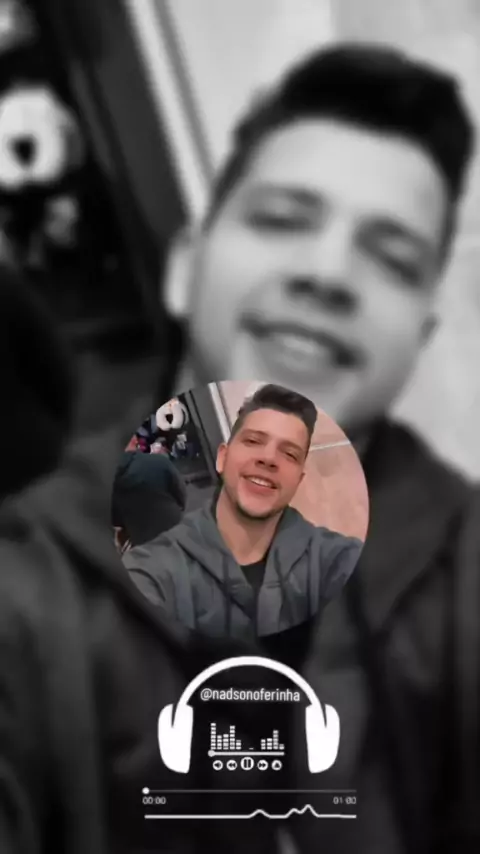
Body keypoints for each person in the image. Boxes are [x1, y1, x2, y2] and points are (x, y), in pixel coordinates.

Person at [160, 44, 480, 853]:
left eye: (392, 259)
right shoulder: (30, 592)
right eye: (281, 220)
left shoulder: (463, 572)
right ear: (184, 269)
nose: (329, 274)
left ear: (420, 337)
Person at [124, 383, 363, 640]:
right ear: (222, 458)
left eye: (289, 454)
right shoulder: (153, 569)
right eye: (253, 441)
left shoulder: (339, 561)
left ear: (298, 480)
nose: (268, 459)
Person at [112, 448, 187, 552]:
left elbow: (115, 518)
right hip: (173, 523)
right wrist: (180, 507)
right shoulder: (157, 461)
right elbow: (179, 489)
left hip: (142, 539)